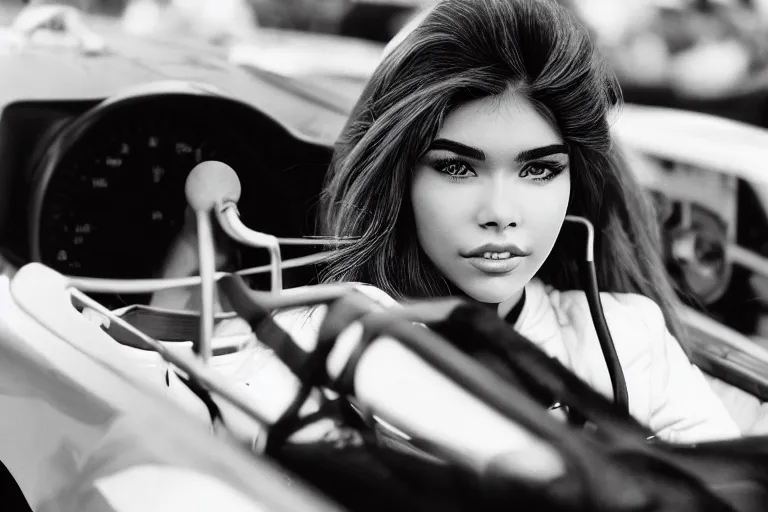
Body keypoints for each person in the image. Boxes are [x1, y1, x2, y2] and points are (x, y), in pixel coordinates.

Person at [273, 0, 740, 445]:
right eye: (456, 168)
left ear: (575, 180)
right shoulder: (315, 338)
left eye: (539, 170)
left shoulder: (631, 336)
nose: (500, 212)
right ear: (397, 177)